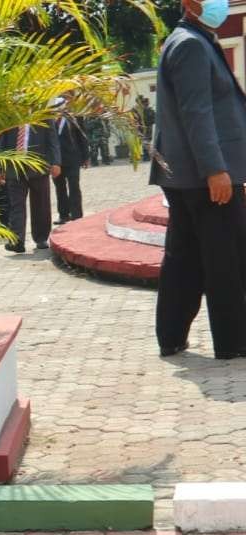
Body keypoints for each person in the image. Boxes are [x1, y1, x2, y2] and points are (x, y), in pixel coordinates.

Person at [151, 0, 246, 360]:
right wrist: (215, 169)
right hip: (205, 175)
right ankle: (234, 341)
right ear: (189, 4)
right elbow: (197, 112)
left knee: (184, 259)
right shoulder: (190, 44)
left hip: (187, 175)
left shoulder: (190, 39)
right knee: (228, 259)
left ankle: (171, 336)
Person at [0, 120, 61, 253]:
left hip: (38, 167)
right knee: (16, 205)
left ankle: (41, 238)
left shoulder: (43, 115)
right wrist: (0, 167)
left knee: (41, 204)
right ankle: (17, 241)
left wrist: (55, 162)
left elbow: (53, 140)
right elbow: (3, 142)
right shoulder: (11, 116)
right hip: (14, 168)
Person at [53, 104, 90, 224]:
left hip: (73, 158)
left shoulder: (74, 117)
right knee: (59, 188)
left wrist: (86, 156)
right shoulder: (49, 119)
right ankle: (63, 215)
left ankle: (77, 215)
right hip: (56, 161)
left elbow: (82, 136)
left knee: (74, 186)